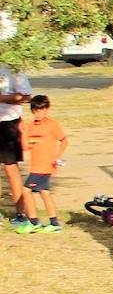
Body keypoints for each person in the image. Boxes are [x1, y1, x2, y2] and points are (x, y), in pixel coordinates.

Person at [15, 95, 68, 233]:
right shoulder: (30, 126)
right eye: (35, 111)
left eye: (41, 110)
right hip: (36, 166)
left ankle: (33, 222)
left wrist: (57, 156)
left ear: (47, 109)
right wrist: (23, 133)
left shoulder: (52, 125)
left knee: (26, 191)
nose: (38, 113)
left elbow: (64, 141)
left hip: (44, 167)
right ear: (32, 111)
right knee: (45, 193)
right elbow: (26, 147)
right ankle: (54, 223)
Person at [1, 62, 33, 225]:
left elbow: (26, 96)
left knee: (10, 168)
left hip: (7, 123)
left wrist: (3, 98)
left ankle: (21, 212)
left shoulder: (13, 67)